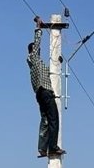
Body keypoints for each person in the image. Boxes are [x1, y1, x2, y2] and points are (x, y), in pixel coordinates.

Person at [28, 16, 66, 158]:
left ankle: (42, 148)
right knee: (53, 119)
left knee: (45, 120)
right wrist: (38, 28)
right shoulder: (33, 58)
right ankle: (53, 147)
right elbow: (36, 45)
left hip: (40, 94)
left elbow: (50, 72)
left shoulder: (36, 66)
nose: (37, 52)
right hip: (45, 92)